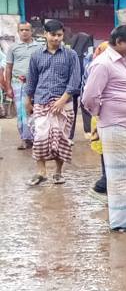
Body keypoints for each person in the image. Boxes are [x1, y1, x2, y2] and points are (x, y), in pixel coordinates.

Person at [81, 25, 126, 233]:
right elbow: (89, 97)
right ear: (119, 43)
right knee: (121, 176)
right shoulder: (103, 64)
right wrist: (102, 113)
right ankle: (123, 221)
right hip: (116, 125)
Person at [26, 19, 80, 186]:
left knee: (61, 138)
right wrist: (27, 99)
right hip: (41, 102)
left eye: (59, 35)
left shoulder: (71, 55)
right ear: (45, 34)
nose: (56, 38)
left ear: (63, 35)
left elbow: (75, 79)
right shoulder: (36, 56)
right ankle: (41, 172)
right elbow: (32, 79)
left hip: (64, 104)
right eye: (53, 35)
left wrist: (62, 100)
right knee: (40, 137)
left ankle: (58, 173)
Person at [6, 21, 41, 150]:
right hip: (18, 84)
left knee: (35, 111)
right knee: (21, 112)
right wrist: (8, 87)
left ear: (32, 31)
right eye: (22, 30)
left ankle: (37, 139)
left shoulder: (39, 47)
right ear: (18, 32)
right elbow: (8, 68)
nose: (24, 32)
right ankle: (25, 139)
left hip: (36, 84)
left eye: (27, 30)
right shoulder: (13, 48)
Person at [69, 32, 95, 137]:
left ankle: (70, 134)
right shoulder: (89, 53)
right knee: (85, 107)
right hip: (84, 83)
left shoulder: (70, 52)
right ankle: (88, 131)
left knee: (72, 108)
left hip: (73, 84)